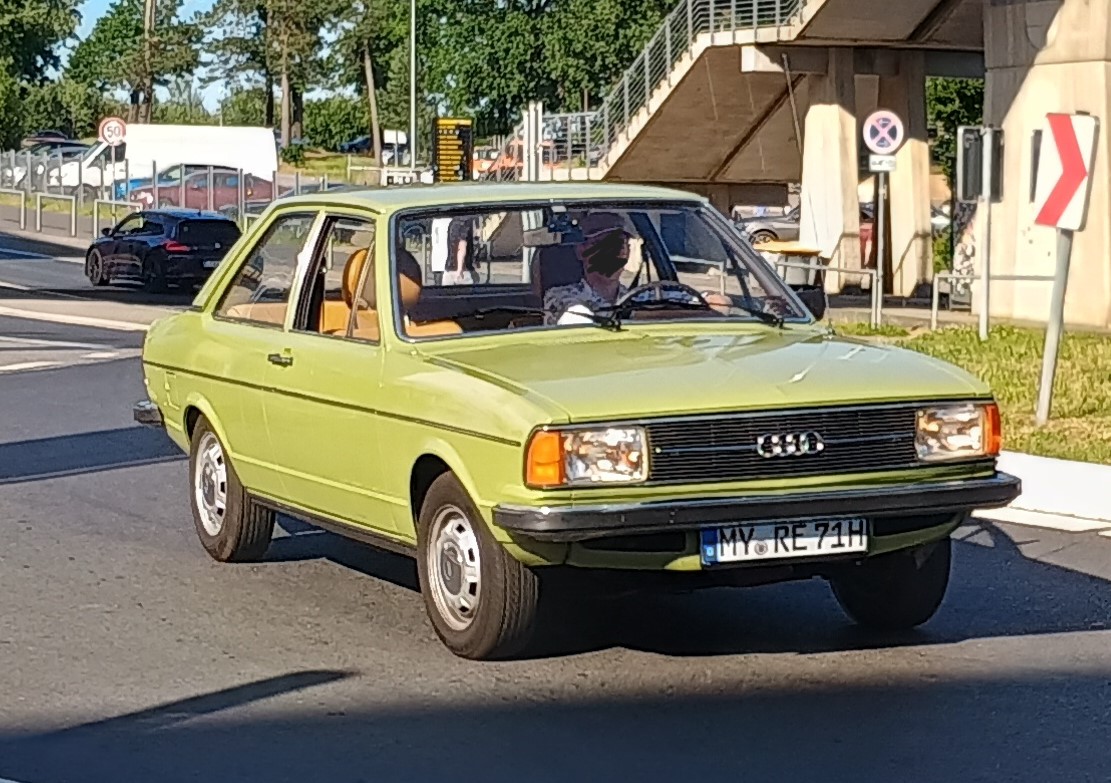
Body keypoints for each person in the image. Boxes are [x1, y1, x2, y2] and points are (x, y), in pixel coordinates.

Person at [542, 211, 633, 324]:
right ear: (581, 251)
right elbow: (576, 317)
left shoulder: (643, 297)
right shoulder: (559, 296)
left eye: (620, 244)